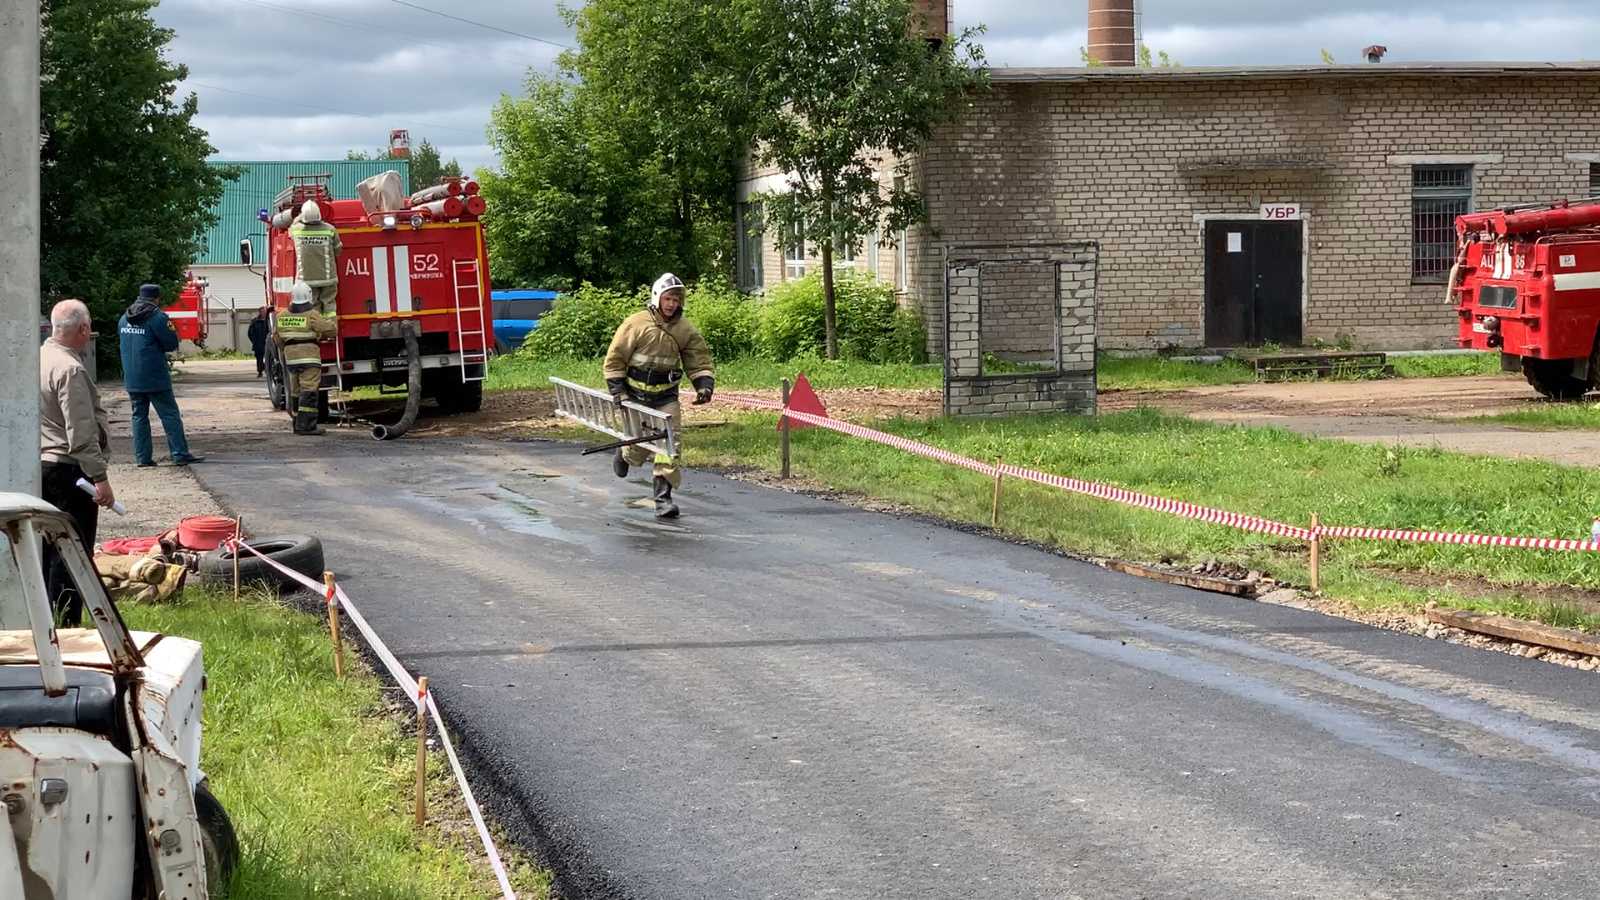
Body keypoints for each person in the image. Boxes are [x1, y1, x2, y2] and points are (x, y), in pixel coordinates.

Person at [603, 273, 715, 518]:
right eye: (668, 298)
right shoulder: (636, 324)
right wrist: (618, 391)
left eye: (677, 299)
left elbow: (698, 360)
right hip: (635, 395)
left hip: (666, 397)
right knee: (639, 446)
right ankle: (625, 455)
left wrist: (704, 386)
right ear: (657, 298)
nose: (672, 304)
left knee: (669, 444)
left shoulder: (685, 330)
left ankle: (663, 499)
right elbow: (615, 359)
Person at [39, 299, 114, 627]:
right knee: (71, 553)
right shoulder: (70, 368)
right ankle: (67, 626)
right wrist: (100, 478)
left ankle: (45, 621)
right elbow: (82, 432)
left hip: (43, 467)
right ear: (83, 328)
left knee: (44, 549)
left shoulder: (38, 358)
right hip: (72, 471)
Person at [119, 283, 204, 467]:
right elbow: (170, 343)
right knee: (169, 415)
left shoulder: (124, 319)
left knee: (139, 416)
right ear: (156, 299)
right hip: (155, 376)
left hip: (132, 376)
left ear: (139, 296)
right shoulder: (157, 317)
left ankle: (143, 458)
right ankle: (180, 453)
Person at [272, 281, 337, 436]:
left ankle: (296, 424)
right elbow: (331, 330)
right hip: (309, 358)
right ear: (308, 296)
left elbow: (277, 338)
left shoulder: (281, 316)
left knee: (296, 391)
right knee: (309, 390)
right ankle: (307, 426)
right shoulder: (312, 315)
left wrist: (288, 351)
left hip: (291, 360)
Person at [289, 199, 343, 315]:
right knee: (330, 307)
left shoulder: (297, 230)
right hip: (328, 278)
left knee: (313, 306)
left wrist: (298, 217)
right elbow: (338, 249)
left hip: (307, 279)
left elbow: (290, 229)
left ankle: (317, 332)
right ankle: (331, 331)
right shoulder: (330, 229)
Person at [247, 306, 272, 378]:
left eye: (264, 312)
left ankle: (269, 371)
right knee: (259, 359)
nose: (262, 313)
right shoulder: (255, 322)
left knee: (269, 358)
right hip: (258, 343)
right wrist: (255, 342)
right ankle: (260, 371)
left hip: (268, 343)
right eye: (261, 312)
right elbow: (250, 333)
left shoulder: (269, 322)